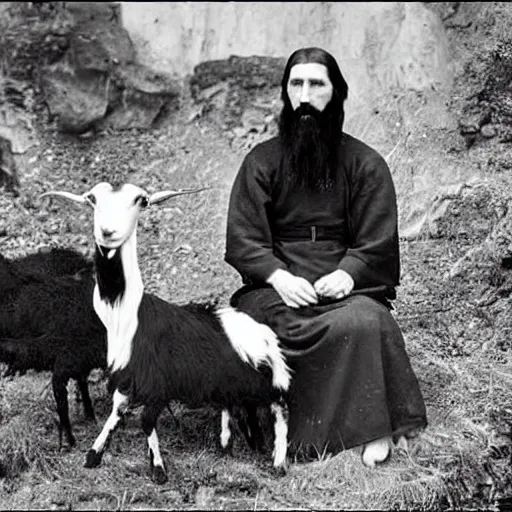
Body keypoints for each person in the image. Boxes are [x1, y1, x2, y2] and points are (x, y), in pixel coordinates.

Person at [224, 47, 427, 467]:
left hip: (342, 287)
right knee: (257, 327)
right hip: (275, 290)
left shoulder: (366, 164)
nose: (304, 95)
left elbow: (378, 240)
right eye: (295, 84)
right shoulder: (261, 161)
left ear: (336, 93)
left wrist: (350, 274)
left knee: (367, 320)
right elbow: (244, 239)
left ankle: (370, 431)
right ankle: (298, 436)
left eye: (316, 84)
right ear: (285, 92)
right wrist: (278, 276)